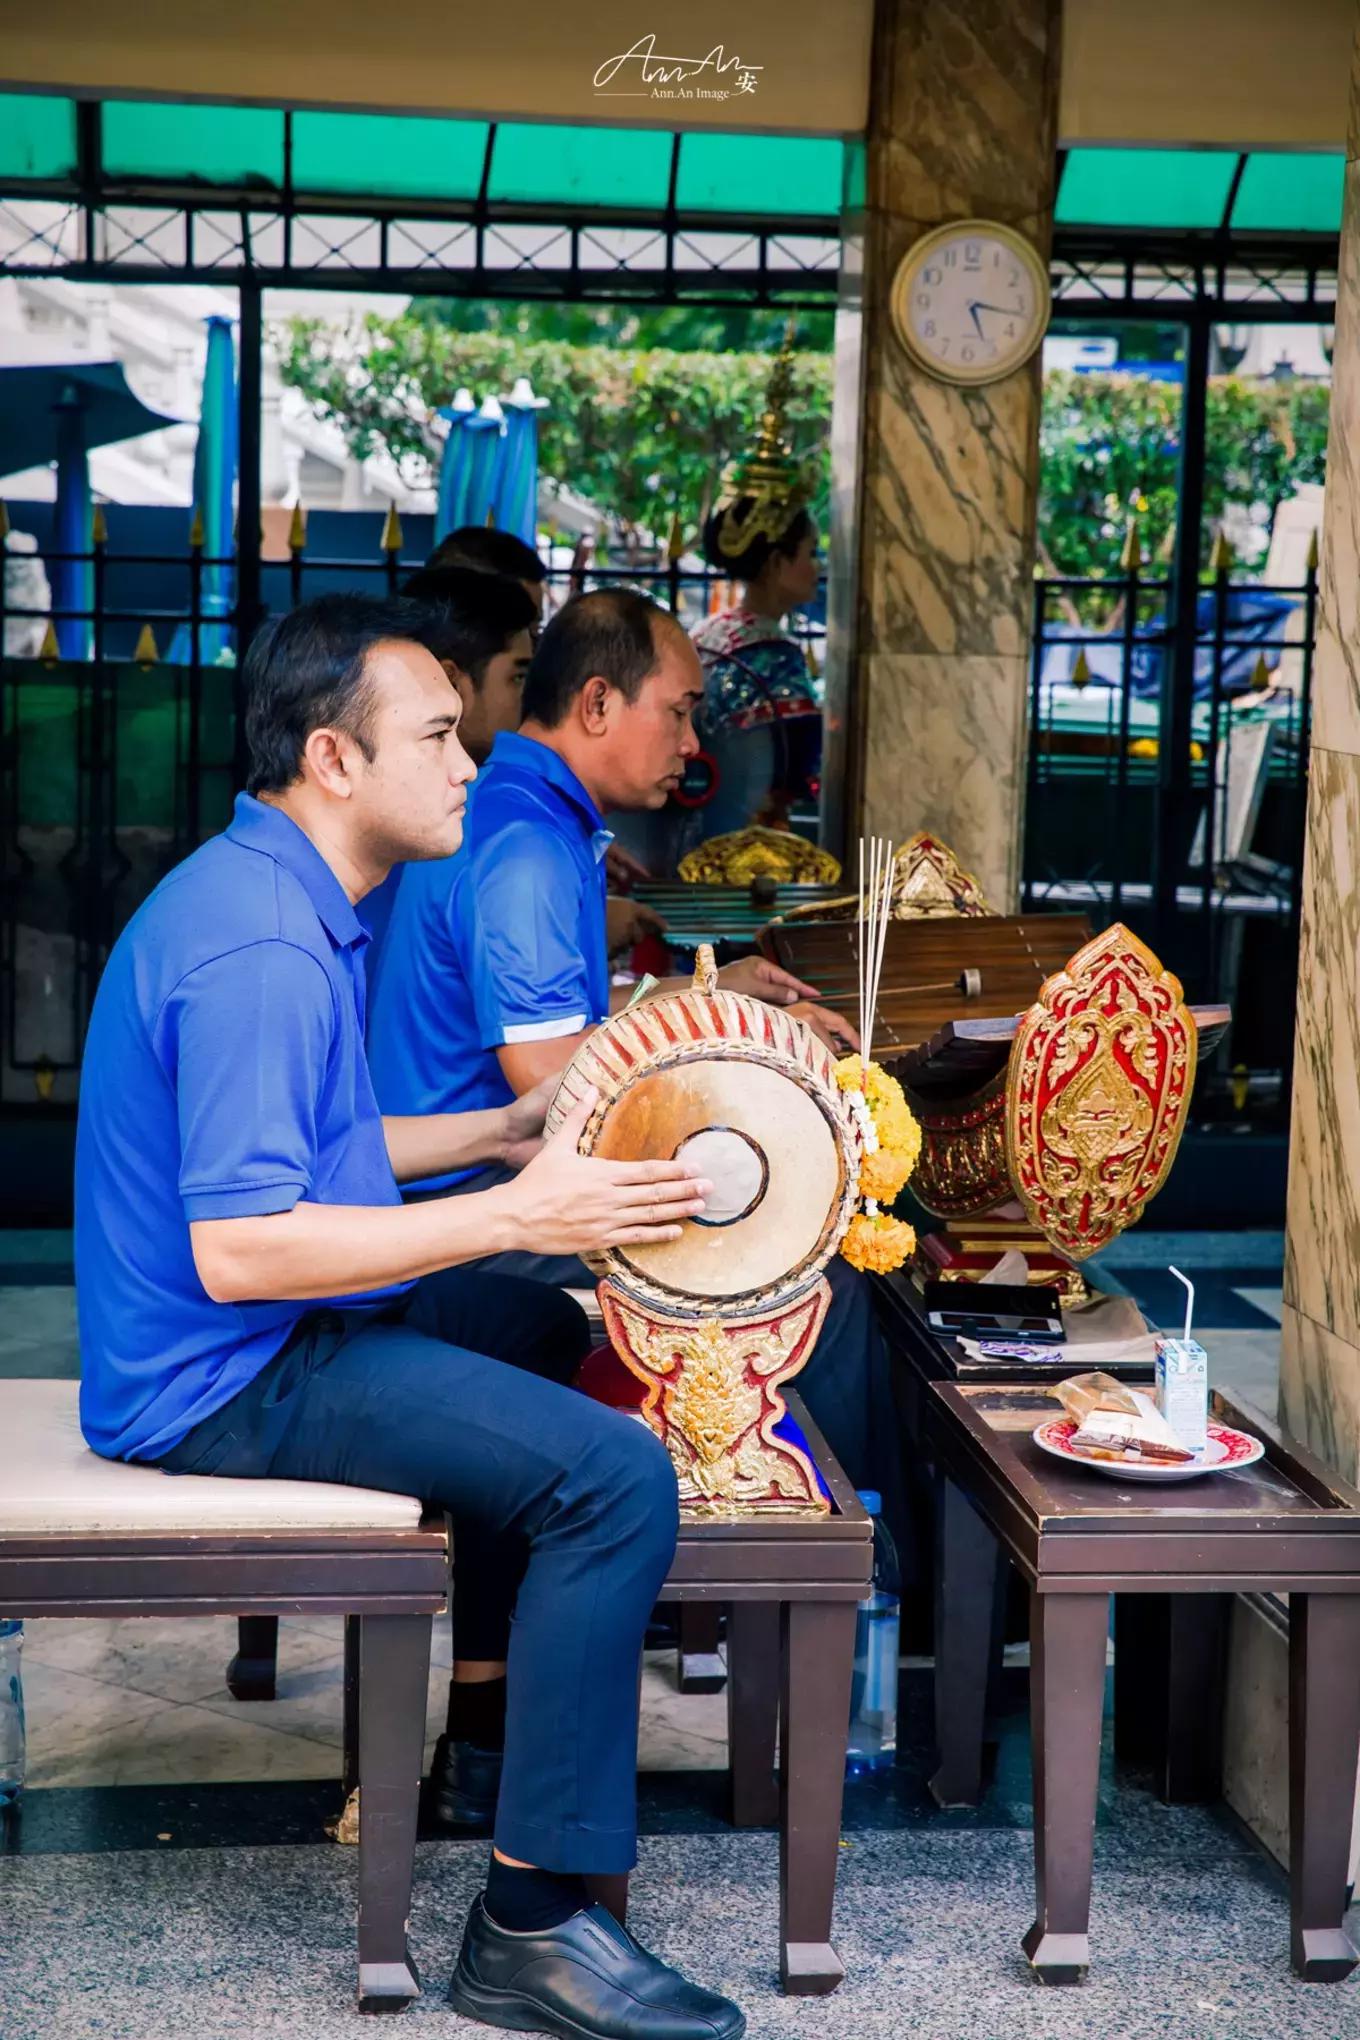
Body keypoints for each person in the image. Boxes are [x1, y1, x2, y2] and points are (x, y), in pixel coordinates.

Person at [73, 591, 745, 2040]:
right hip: (226, 1374)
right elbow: (247, 1250)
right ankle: (533, 1923)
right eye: (438, 735)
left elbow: (325, 1150)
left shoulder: (284, 896)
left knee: (538, 1330)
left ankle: (497, 1730)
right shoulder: (260, 944)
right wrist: (523, 1209)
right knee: (616, 1476)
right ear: (333, 759)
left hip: (267, 1331)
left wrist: (502, 1128)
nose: (467, 759)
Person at [365, 587, 909, 1728]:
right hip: (473, 1214)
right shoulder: (521, 843)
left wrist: (687, 996)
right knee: (828, 1287)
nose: (695, 744)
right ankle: (841, 1596)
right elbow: (551, 1088)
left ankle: (772, 1568)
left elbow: (561, 1032)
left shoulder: (528, 814)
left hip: (485, 1184)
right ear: (600, 701)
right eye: (681, 711)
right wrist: (731, 1039)